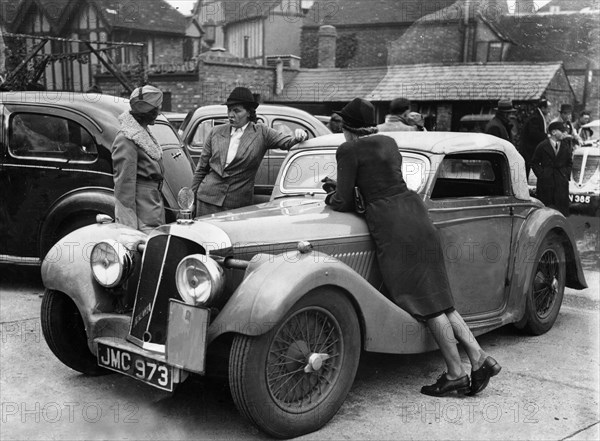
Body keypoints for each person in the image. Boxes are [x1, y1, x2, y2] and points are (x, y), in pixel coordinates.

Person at [324, 97, 501, 397]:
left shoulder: (348, 149)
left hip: (393, 228)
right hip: (417, 216)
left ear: (348, 127)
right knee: (440, 300)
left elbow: (342, 200)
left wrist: (329, 194)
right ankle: (480, 357)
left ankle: (456, 373)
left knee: (422, 302)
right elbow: (381, 180)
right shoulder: (390, 143)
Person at [191, 87, 307, 215]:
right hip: (206, 199)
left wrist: (301, 135)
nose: (230, 115)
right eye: (229, 110)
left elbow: (288, 142)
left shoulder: (261, 132)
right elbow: (201, 169)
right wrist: (191, 201)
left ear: (248, 112)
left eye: (236, 111)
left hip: (236, 205)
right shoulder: (216, 132)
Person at [112, 85, 165, 233]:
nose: (159, 113)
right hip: (142, 216)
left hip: (152, 208)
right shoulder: (127, 139)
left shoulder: (142, 133)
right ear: (147, 113)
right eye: (156, 109)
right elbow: (124, 187)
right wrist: (128, 229)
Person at [531, 121, 573, 217]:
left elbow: (569, 162)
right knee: (546, 210)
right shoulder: (542, 146)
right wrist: (542, 175)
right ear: (553, 132)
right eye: (562, 131)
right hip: (546, 183)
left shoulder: (565, 146)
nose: (564, 133)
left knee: (562, 210)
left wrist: (565, 174)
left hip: (561, 182)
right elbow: (534, 162)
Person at [520, 98, 551, 179]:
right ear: (543, 108)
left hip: (531, 148)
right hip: (529, 149)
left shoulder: (538, 116)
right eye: (548, 108)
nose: (549, 110)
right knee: (528, 168)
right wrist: (547, 136)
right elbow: (534, 134)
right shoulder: (536, 118)